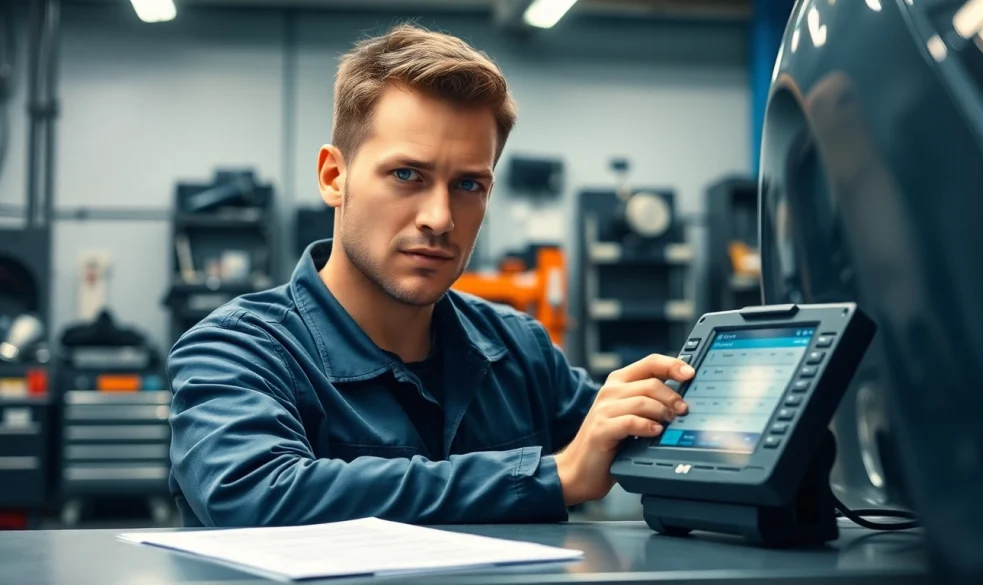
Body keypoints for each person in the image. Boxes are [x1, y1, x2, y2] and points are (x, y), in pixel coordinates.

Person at [166, 24, 695, 528]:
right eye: (406, 175)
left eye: (469, 185)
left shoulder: (520, 352)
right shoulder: (237, 350)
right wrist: (548, 476)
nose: (439, 218)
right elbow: (257, 494)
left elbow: (627, 445)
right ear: (333, 176)